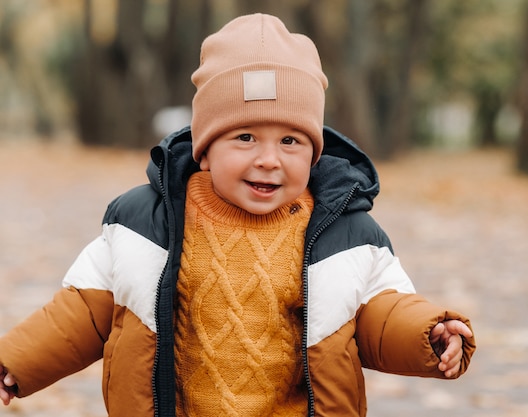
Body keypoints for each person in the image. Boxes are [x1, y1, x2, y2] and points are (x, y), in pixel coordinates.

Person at [0, 13, 475, 417]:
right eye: (244, 138)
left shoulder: (346, 232)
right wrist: (14, 361)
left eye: (290, 141)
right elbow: (84, 309)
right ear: (205, 150)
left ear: (313, 154)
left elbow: (380, 312)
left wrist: (427, 333)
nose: (269, 158)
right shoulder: (146, 223)